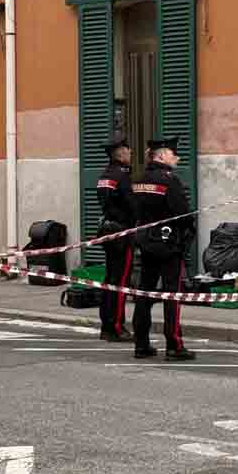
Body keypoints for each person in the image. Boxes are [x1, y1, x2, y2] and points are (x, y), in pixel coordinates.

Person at [131, 137, 196, 361]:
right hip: (169, 244)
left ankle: (141, 344)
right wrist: (188, 233)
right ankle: (174, 345)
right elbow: (183, 213)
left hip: (146, 242)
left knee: (144, 292)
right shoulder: (170, 180)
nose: (176, 157)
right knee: (171, 295)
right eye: (172, 153)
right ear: (160, 156)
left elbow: (135, 211)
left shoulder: (139, 179)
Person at [96, 134, 136, 343]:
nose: (131, 153)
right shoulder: (122, 176)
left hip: (108, 231)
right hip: (122, 233)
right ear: (120, 153)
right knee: (120, 282)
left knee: (110, 279)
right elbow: (131, 206)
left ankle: (106, 325)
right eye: (128, 150)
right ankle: (117, 327)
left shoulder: (105, 175)